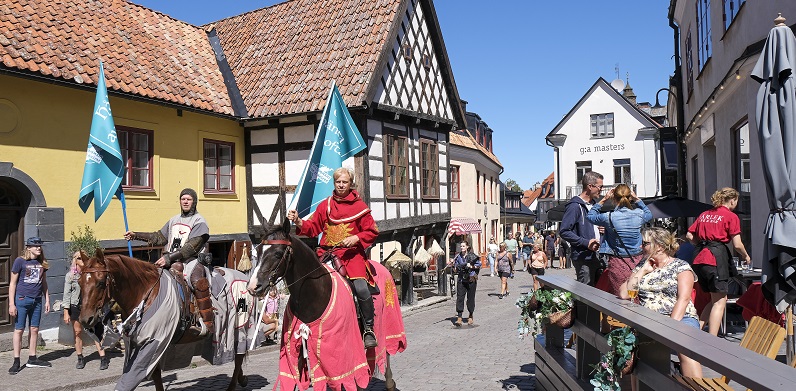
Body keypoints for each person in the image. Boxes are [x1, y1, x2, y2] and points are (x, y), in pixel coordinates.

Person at [287, 167, 380, 348]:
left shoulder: (360, 207)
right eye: (338, 182)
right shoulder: (326, 205)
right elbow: (312, 228)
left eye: (345, 182)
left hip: (351, 256)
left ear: (350, 184)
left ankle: (368, 329)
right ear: (334, 183)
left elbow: (372, 231)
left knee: (361, 288)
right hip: (327, 253)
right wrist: (298, 221)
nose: (341, 185)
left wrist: (356, 238)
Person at [124, 188, 214, 334]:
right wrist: (136, 235)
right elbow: (159, 237)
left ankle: (207, 321)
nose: (185, 202)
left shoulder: (199, 221)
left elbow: (192, 247)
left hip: (191, 260)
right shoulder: (173, 220)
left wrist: (168, 258)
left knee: (197, 280)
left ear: (194, 202)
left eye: (189, 199)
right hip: (171, 260)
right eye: (183, 199)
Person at [619, 228, 703, 378]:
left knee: (686, 350)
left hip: (681, 318)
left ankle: (696, 386)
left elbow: (684, 299)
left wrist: (669, 327)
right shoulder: (642, 265)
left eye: (645, 243)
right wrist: (643, 271)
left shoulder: (681, 266)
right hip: (648, 319)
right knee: (636, 350)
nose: (641, 246)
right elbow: (624, 293)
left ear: (659, 246)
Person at [686, 187, 751, 336]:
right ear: (732, 200)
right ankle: (711, 340)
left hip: (699, 259)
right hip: (715, 259)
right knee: (720, 301)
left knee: (714, 299)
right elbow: (737, 244)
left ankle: (697, 331)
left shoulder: (705, 214)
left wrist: (700, 244)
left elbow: (689, 235)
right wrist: (746, 256)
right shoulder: (731, 216)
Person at [587, 184, 653, 296]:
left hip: (617, 260)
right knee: (636, 292)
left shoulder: (608, 217)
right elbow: (649, 214)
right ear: (630, 196)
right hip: (637, 260)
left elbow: (590, 216)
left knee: (619, 294)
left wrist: (603, 199)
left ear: (614, 198)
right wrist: (637, 199)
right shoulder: (639, 214)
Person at [8, 237, 51, 375]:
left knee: (34, 329)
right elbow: (12, 283)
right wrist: (11, 304)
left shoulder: (42, 262)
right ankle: (16, 360)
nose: (38, 248)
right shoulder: (19, 261)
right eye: (35, 246)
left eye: (39, 246)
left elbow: (44, 283)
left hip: (37, 300)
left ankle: (32, 358)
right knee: (19, 330)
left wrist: (47, 299)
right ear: (28, 248)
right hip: (22, 299)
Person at [63, 251, 109, 370]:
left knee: (96, 332)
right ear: (75, 260)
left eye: (83, 258)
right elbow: (66, 294)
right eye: (78, 258)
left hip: (89, 307)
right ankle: (80, 357)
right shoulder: (70, 276)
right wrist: (66, 311)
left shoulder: (91, 273)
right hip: (75, 306)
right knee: (77, 332)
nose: (81, 260)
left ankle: (103, 357)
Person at [560, 171, 603, 286]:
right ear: (590, 186)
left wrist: (603, 229)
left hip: (597, 255)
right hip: (583, 257)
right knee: (586, 292)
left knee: (600, 291)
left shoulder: (594, 206)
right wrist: (586, 242)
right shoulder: (575, 206)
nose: (601, 190)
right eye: (600, 187)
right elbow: (564, 231)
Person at [448, 241, 480, 326]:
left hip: (471, 279)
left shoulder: (472, 256)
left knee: (470, 298)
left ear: (467, 247)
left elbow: (478, 265)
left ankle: (470, 315)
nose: (461, 247)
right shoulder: (458, 256)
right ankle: (459, 317)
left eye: (463, 246)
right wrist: (453, 264)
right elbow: (455, 270)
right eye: (461, 246)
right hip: (461, 279)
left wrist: (471, 266)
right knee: (460, 297)